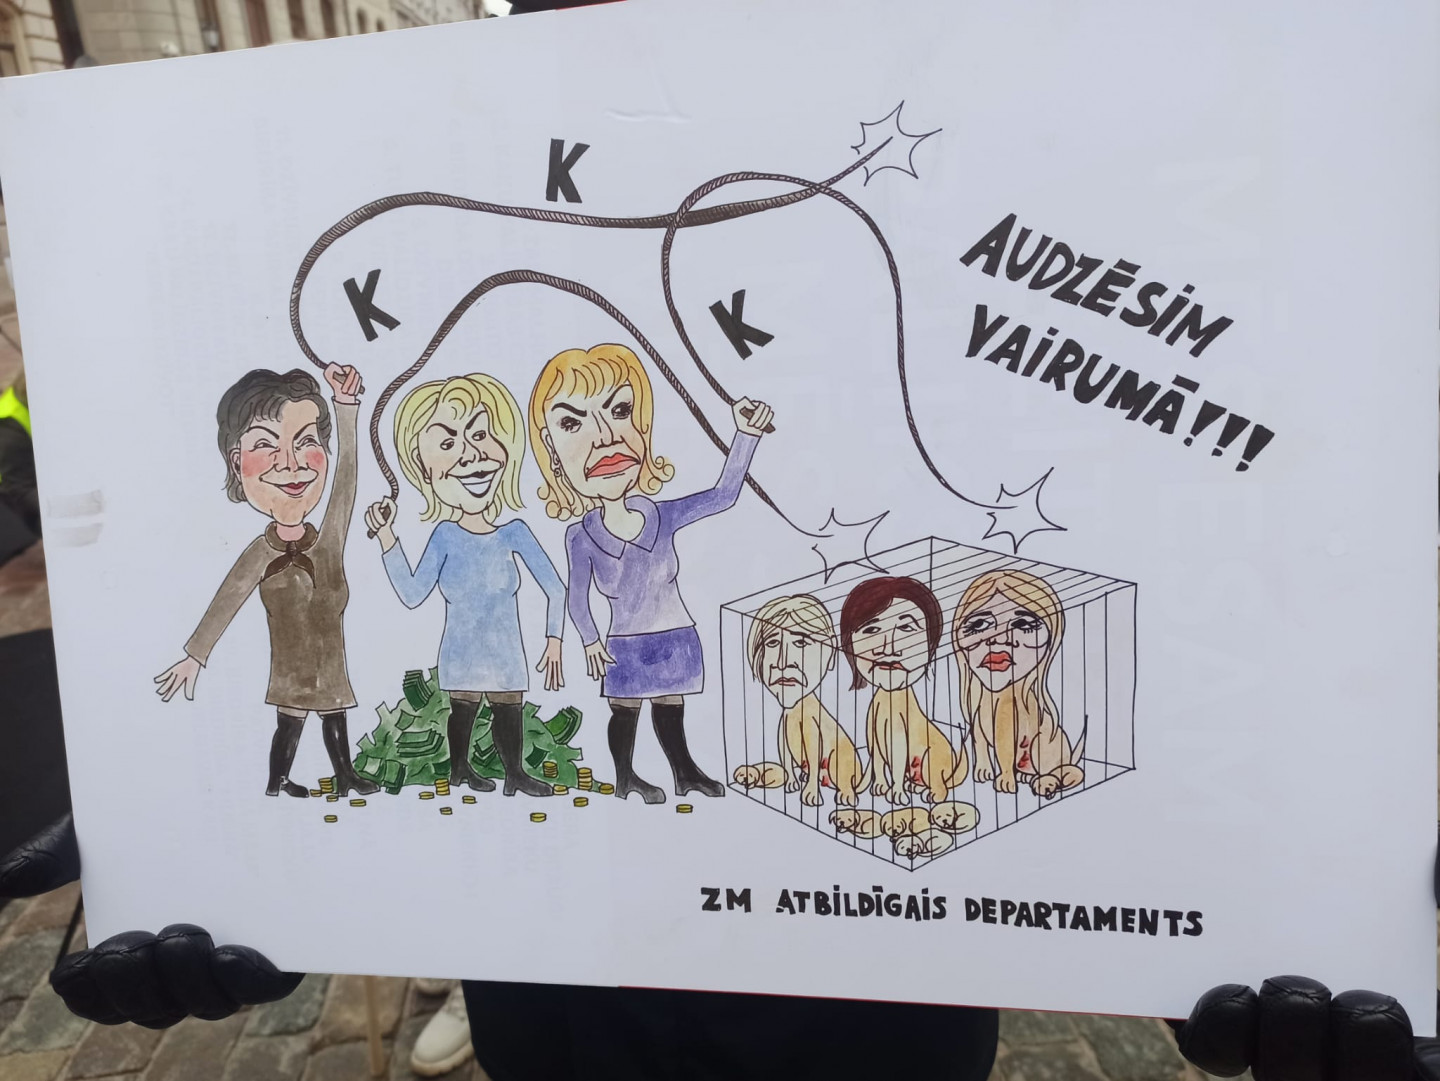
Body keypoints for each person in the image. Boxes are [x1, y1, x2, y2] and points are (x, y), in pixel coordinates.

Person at [528, 343, 772, 803]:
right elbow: (576, 596)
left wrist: (745, 435)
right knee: (625, 711)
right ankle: (626, 777)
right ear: (552, 451)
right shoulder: (581, 536)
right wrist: (590, 641)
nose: (605, 438)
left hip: (675, 634)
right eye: (573, 423)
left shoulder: (665, 514)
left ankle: (685, 772)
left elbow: (723, 495)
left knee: (671, 704)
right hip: (623, 642)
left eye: (620, 411)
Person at [152, 365, 379, 799]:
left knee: (335, 715)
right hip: (291, 668)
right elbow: (227, 601)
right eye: (265, 445)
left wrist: (346, 407)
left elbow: (347, 481)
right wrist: (195, 655)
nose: (291, 464)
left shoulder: (328, 540)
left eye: (307, 442)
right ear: (237, 463)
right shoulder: (260, 553)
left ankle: (345, 775)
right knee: (290, 724)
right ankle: (278, 781)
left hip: (330, 665)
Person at [365, 372, 565, 798]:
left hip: (506, 649)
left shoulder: (514, 532)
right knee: (464, 706)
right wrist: (387, 538)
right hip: (462, 649)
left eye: (480, 434)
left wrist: (554, 639)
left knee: (509, 706)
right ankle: (459, 770)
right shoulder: (444, 536)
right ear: (425, 470)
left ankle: (515, 774)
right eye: (447, 444)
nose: (471, 456)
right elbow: (412, 593)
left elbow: (555, 587)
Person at [951, 570, 1082, 798]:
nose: (1000, 639)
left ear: (1051, 637)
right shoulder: (979, 694)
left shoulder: (1016, 698)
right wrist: (982, 758)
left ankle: (1053, 775)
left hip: (1043, 757)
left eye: (1022, 624)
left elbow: (1005, 735)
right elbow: (978, 726)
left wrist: (1006, 773)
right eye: (979, 624)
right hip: (1020, 764)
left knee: (1057, 767)